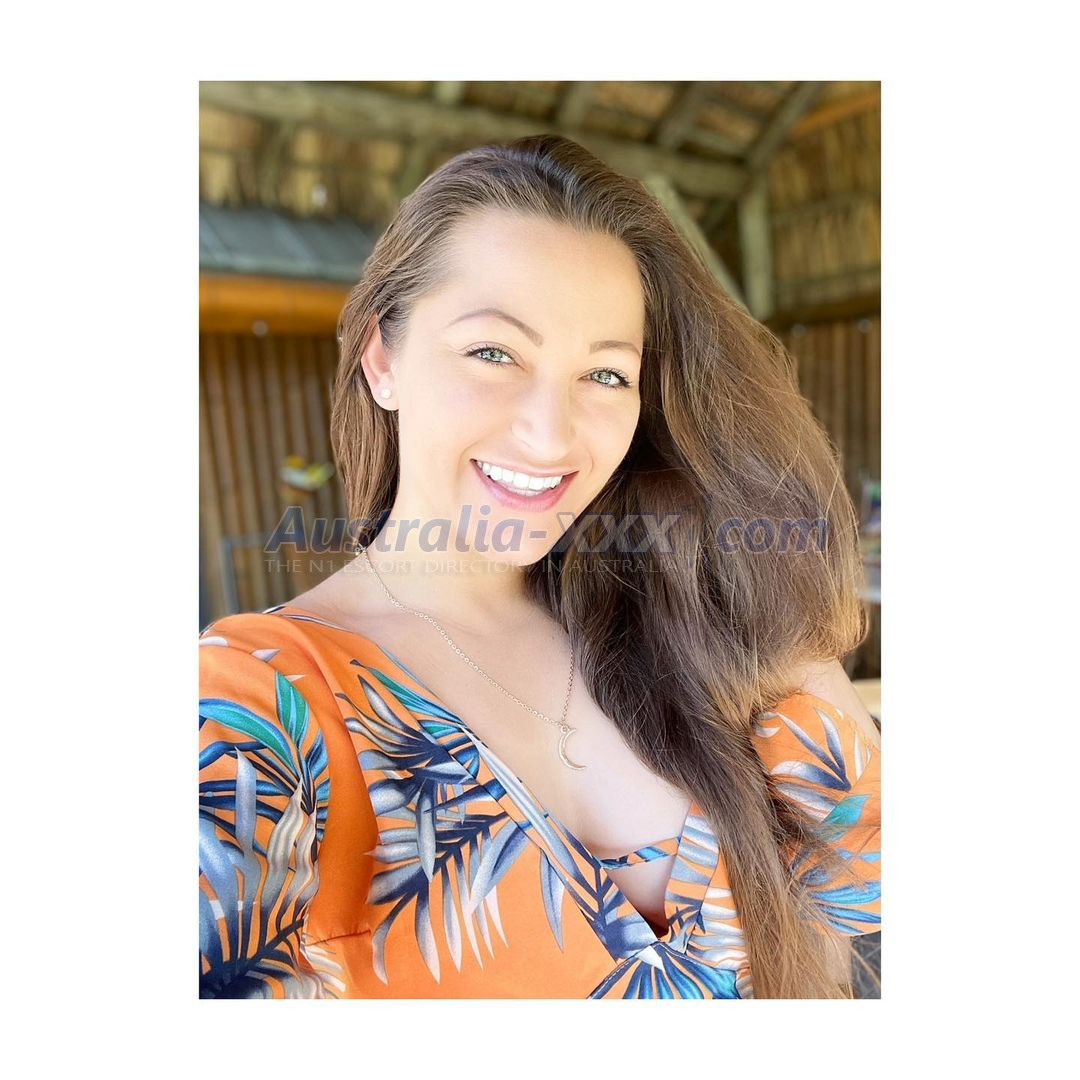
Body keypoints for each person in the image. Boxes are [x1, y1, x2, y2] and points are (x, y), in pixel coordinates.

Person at [199, 134, 881, 999]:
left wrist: (764, 585)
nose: (550, 435)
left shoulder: (698, 619)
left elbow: (863, 881)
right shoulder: (258, 700)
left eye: (606, 374)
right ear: (382, 360)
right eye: (494, 353)